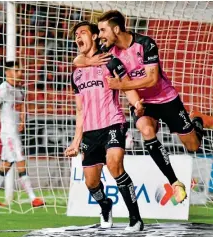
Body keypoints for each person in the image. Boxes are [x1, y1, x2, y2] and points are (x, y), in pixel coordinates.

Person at [73, 10, 213, 204]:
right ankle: (175, 182)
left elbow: (152, 79)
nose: (100, 35)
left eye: (102, 30)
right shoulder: (107, 49)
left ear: (116, 29)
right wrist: (89, 61)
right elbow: (77, 61)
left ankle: (198, 119)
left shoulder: (145, 44)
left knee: (193, 145)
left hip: (166, 98)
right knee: (146, 129)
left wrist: (122, 85)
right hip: (143, 104)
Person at [65, 21, 144, 231]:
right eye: (75, 35)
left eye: (82, 33)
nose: (77, 37)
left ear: (93, 36)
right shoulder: (76, 73)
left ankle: (135, 219)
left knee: (114, 165)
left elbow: (126, 86)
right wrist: (76, 141)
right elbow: (80, 111)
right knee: (91, 183)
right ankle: (105, 204)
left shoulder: (111, 62)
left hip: (113, 123)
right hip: (90, 131)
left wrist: (137, 104)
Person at [0, 61, 45, 207]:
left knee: (6, 163)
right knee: (20, 161)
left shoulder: (20, 89)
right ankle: (33, 198)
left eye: (20, 71)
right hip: (8, 133)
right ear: (7, 72)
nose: (20, 73)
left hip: (15, 132)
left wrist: (23, 119)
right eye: (16, 71)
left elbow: (22, 105)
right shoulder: (3, 89)